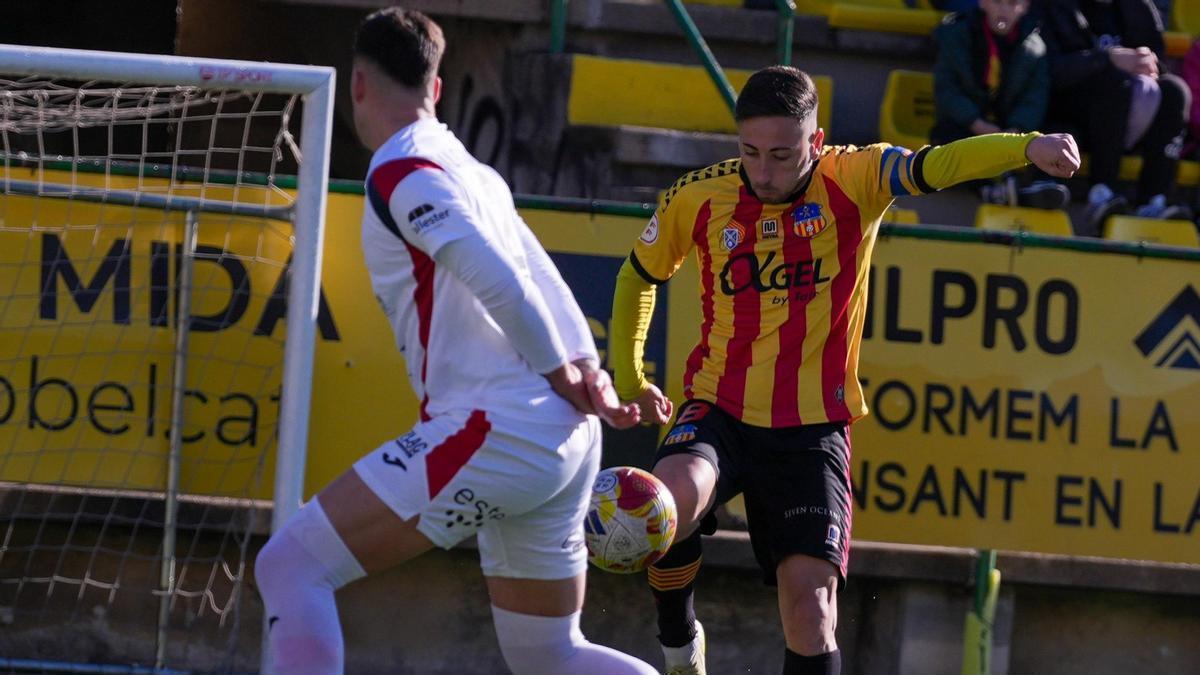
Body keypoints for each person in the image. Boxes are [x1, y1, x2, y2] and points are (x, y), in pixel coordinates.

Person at [610, 65, 1078, 675]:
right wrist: (628, 378)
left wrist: (1027, 148)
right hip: (718, 407)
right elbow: (637, 276)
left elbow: (937, 165)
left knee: (811, 610)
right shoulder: (700, 196)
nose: (765, 170)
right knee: (663, 506)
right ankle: (680, 648)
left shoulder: (855, 177)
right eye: (750, 152)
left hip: (812, 427)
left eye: (782, 154)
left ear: (818, 141)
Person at [254, 8, 657, 675]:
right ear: (436, 89)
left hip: (496, 426)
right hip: (560, 437)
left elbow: (495, 274)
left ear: (357, 84)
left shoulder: (401, 169)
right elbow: (542, 273)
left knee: (292, 565)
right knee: (551, 655)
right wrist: (587, 369)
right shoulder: (476, 171)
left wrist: (562, 367)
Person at [1038, 0, 1193, 233]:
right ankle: (1101, 193)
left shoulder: (1139, 7)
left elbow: (1158, 59)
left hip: (1129, 119)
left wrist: (1148, 64)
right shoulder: (1055, 6)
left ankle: (1153, 200)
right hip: (1068, 118)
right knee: (1115, 83)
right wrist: (1105, 58)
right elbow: (1049, 70)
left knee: (1175, 91)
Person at [932, 0, 1069, 209]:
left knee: (1051, 133)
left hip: (1009, 127)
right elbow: (947, 89)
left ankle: (1038, 185)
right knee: (945, 135)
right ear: (983, 3)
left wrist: (1016, 130)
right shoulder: (957, 35)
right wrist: (976, 123)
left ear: (1024, 7)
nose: (1004, 9)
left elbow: (1035, 97)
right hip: (970, 125)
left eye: (1013, 3)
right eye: (997, 2)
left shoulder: (1035, 47)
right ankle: (992, 190)